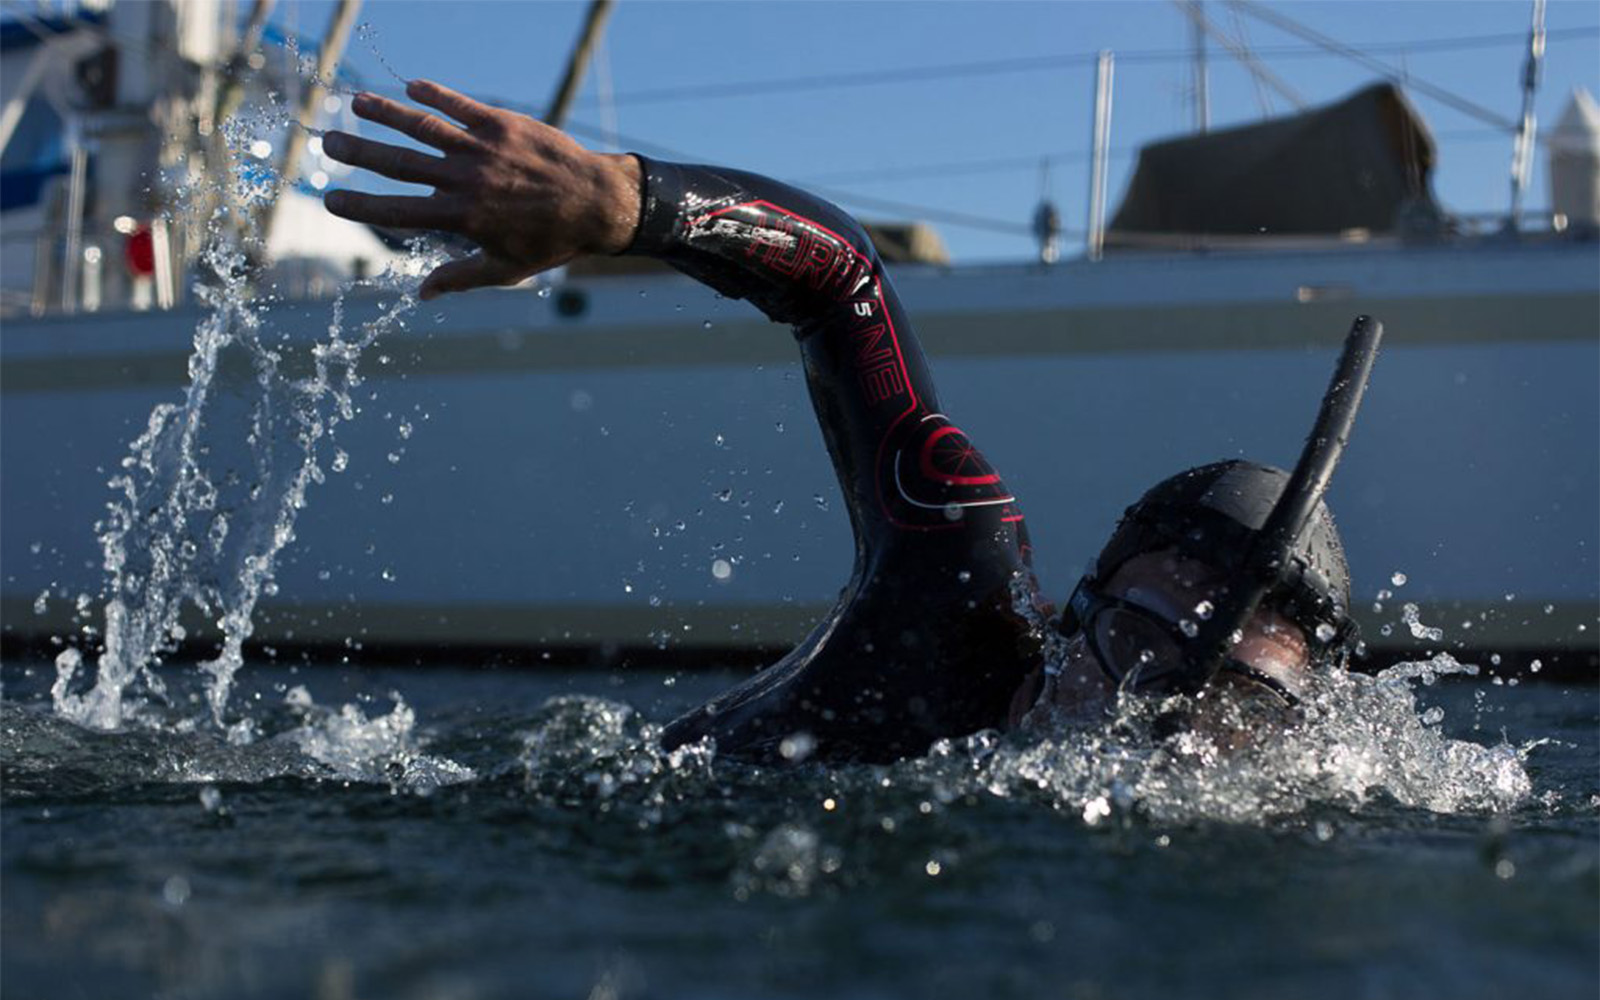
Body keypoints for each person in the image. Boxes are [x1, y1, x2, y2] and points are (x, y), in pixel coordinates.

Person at [323, 80, 1367, 764]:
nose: (1158, 725)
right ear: (1079, 602)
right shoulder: (952, 579)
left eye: (1239, 706)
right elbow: (842, 285)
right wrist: (628, 203)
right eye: (1135, 642)